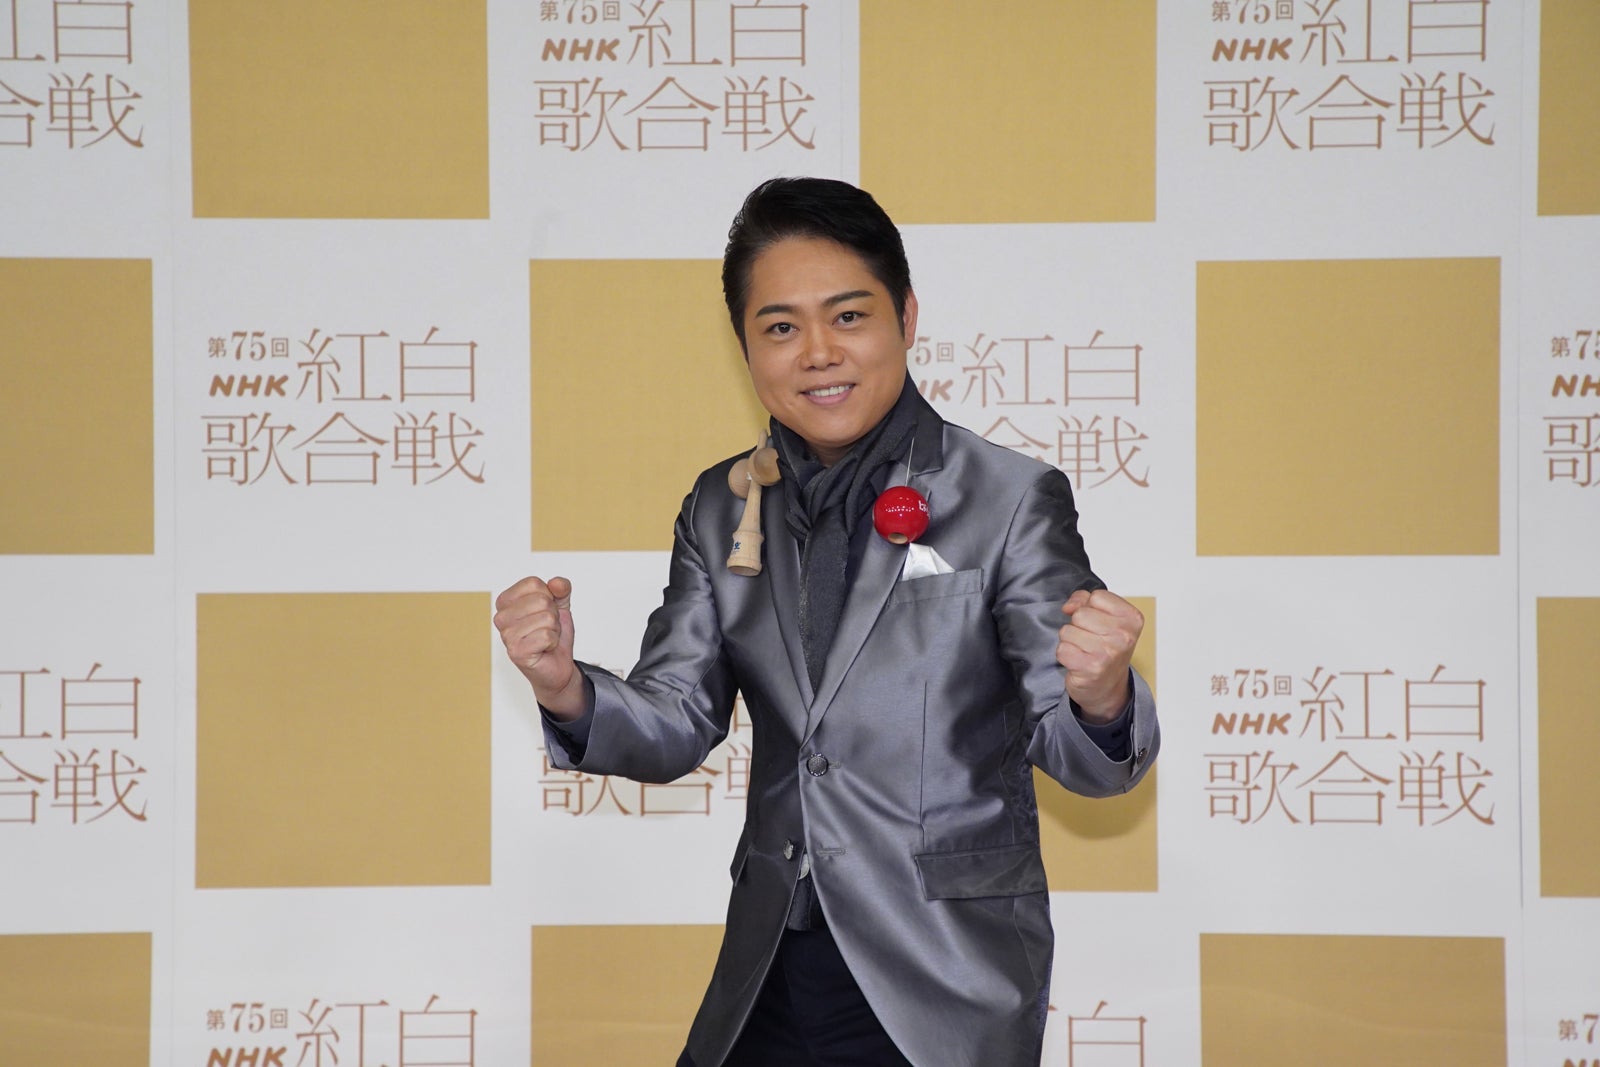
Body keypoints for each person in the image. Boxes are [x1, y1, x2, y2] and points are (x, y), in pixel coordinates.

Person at [494, 177, 1159, 1067]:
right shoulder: (721, 504)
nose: (817, 353)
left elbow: (1086, 758)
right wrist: (564, 687)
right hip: (769, 961)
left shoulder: (1006, 499)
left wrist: (1101, 694)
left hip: (942, 976)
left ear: (906, 316)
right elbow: (678, 717)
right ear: (744, 345)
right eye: (780, 327)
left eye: (848, 316)